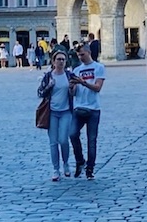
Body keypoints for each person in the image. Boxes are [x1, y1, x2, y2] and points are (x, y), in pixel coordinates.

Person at [38, 50, 77, 181]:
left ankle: (66, 164)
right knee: (53, 142)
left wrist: (72, 89)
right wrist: (49, 86)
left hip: (66, 111)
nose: (61, 61)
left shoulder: (69, 75)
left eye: (63, 59)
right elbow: (40, 93)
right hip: (52, 112)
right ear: (53, 62)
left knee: (63, 140)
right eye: (58, 59)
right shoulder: (48, 76)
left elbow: (74, 93)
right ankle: (56, 169)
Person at [69, 45, 105, 181]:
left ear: (89, 52)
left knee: (92, 140)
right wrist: (72, 87)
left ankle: (90, 168)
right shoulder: (76, 70)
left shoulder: (99, 68)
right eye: (78, 55)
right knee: (72, 134)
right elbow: (73, 93)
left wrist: (83, 82)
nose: (80, 57)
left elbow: (97, 88)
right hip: (78, 108)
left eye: (82, 54)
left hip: (93, 109)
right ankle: (80, 161)